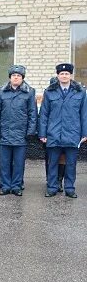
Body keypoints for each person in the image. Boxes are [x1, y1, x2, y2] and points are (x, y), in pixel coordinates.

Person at [39, 63, 87, 198]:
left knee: (71, 164)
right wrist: (42, 133)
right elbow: (44, 114)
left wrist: (85, 133)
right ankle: (52, 187)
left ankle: (70, 188)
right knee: (52, 163)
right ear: (58, 75)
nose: (64, 76)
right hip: (53, 134)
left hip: (73, 134)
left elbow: (84, 114)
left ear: (71, 75)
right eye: (62, 74)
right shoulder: (49, 92)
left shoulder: (80, 92)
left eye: (67, 74)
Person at [0, 65, 37, 196]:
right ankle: (6, 186)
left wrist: (30, 132)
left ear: (22, 78)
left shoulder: (29, 92)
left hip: (21, 134)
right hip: (4, 133)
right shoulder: (2, 92)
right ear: (9, 78)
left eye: (18, 76)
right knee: (5, 163)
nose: (16, 78)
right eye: (13, 76)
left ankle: (16, 186)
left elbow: (32, 114)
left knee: (18, 163)